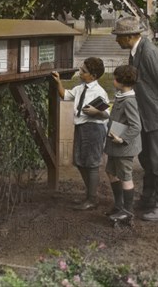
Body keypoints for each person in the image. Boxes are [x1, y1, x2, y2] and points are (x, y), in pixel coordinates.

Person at [112, 16, 158, 221]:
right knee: (146, 159)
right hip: (143, 115)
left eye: (119, 37)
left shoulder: (149, 51)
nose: (117, 40)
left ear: (131, 36)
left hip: (156, 115)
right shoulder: (135, 53)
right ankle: (148, 199)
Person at [52, 57, 109, 210]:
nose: (80, 72)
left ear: (94, 76)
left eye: (84, 71)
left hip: (94, 129)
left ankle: (92, 198)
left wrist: (97, 111)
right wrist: (58, 82)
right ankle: (89, 195)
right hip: (81, 127)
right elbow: (65, 95)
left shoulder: (100, 92)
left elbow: (106, 114)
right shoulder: (80, 88)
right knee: (80, 161)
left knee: (91, 164)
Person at [104, 65, 141, 222]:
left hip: (123, 146)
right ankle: (119, 205)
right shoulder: (121, 96)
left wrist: (123, 139)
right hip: (114, 144)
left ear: (121, 81)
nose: (113, 80)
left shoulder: (129, 101)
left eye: (115, 78)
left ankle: (128, 211)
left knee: (125, 176)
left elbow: (136, 126)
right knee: (111, 172)